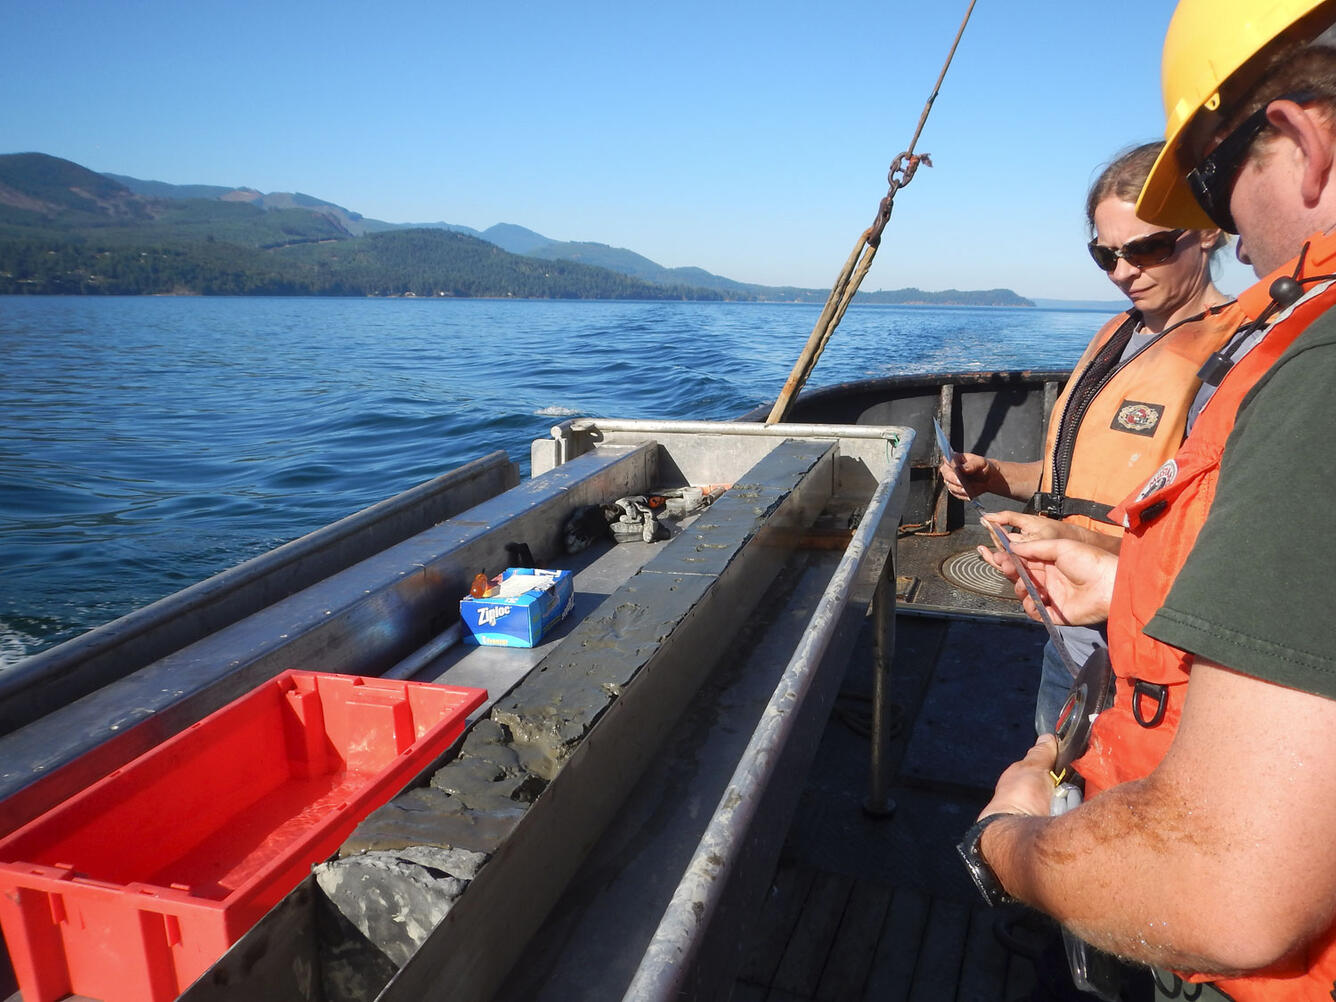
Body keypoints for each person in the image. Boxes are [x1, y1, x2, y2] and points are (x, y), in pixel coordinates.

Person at [958, 3, 1336, 1000]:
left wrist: (1005, 845)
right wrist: (1118, 573)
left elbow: (1227, 885)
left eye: (1208, 187)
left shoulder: (1307, 364)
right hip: (1113, 634)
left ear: (1302, 141)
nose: (1125, 270)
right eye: (1103, 256)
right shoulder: (1175, 345)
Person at [940, 144, 1242, 735]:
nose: (1125, 271)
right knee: (1054, 762)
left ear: (1207, 232)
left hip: (1148, 640)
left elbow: (1219, 547)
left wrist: (1075, 538)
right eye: (1106, 255)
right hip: (1065, 622)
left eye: (1148, 247)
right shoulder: (1115, 333)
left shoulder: (1237, 356)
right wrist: (998, 475)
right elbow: (1070, 482)